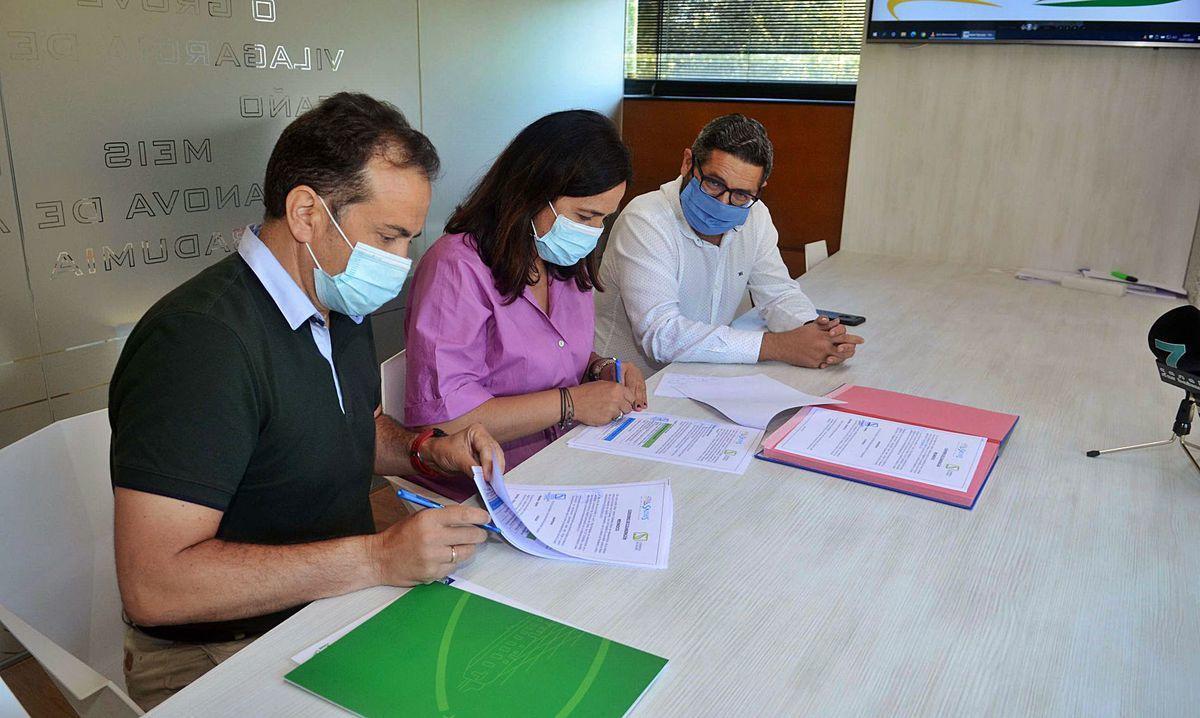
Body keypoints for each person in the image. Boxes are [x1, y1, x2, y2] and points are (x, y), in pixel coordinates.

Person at [108, 93, 502, 710]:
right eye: (389, 236)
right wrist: (377, 557)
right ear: (306, 213)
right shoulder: (197, 344)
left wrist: (431, 452)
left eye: (409, 240)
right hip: (216, 652)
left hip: (325, 603)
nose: (402, 264)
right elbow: (155, 586)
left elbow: (354, 425)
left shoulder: (335, 296)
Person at [404, 110, 646, 496]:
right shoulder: (456, 267)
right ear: (533, 191)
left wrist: (598, 368)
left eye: (603, 219)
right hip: (484, 487)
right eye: (585, 215)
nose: (592, 232)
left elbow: (546, 353)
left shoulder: (563, 258)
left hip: (562, 461)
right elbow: (448, 422)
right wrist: (572, 404)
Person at [594, 114, 864, 375]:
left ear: (759, 189)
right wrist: (780, 346)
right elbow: (661, 336)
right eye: (713, 183)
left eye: (741, 194)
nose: (722, 202)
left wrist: (813, 333)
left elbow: (778, 292)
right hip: (632, 387)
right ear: (688, 163)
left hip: (707, 373)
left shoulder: (755, 215)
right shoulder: (646, 219)